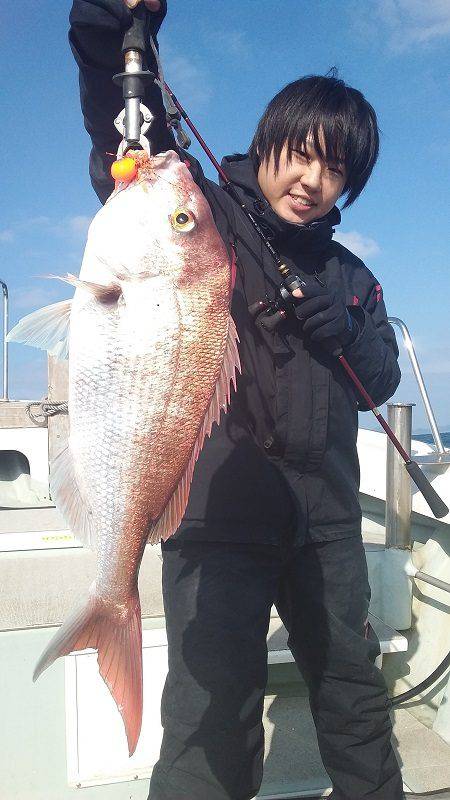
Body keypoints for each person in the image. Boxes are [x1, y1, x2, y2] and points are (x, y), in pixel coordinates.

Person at [69, 2, 404, 798]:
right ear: (269, 140)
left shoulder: (354, 276)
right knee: (209, 718)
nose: (313, 181)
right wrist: (105, 28)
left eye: (336, 173)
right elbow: (127, 128)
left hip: (324, 522)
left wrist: (346, 333)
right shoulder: (196, 214)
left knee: (356, 701)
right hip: (215, 519)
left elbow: (382, 377)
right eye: (303, 155)